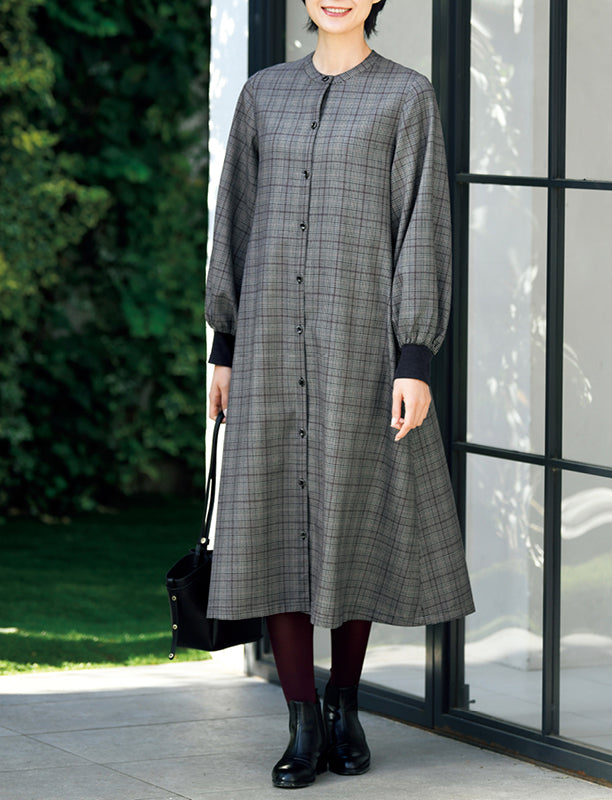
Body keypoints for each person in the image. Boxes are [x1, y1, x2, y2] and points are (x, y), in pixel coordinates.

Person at [205, 0, 474, 789]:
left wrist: (413, 357)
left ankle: (343, 704)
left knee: (351, 518)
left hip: (359, 343)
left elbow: (422, 226)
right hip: (265, 342)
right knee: (274, 526)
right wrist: (224, 345)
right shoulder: (263, 93)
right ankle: (301, 721)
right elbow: (235, 218)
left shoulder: (406, 95)